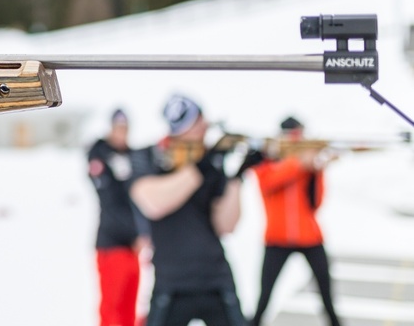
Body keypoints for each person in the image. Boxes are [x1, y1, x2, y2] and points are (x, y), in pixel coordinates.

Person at [127, 94, 258, 326]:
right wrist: (199, 168)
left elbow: (226, 225)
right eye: (196, 125)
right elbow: (154, 204)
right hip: (172, 284)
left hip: (216, 279)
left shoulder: (210, 161)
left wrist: (237, 178)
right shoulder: (148, 157)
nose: (203, 130)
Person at [248, 116, 342, 326]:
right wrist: (299, 163)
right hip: (277, 238)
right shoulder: (268, 164)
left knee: (327, 296)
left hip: (310, 236)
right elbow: (269, 184)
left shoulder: (305, 168)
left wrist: (317, 170)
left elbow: (316, 203)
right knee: (264, 298)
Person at [87, 108, 149, 326]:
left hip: (133, 247)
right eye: (118, 128)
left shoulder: (132, 157)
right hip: (112, 245)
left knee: (130, 309)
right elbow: (110, 202)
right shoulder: (100, 155)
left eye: (125, 129)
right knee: (112, 309)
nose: (122, 133)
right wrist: (136, 234)